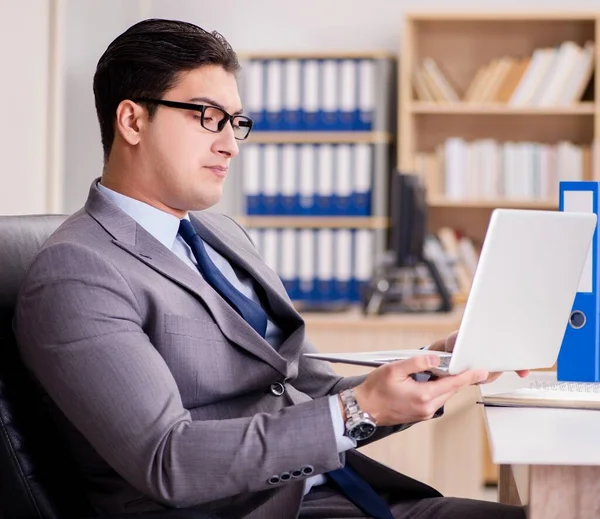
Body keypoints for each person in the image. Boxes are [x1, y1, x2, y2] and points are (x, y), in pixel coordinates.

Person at [14, 19, 527, 519]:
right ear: (132, 121)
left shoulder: (223, 235)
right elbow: (168, 460)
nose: (229, 144)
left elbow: (314, 392)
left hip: (343, 492)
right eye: (205, 116)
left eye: (235, 122)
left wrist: (431, 368)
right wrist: (358, 411)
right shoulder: (77, 272)